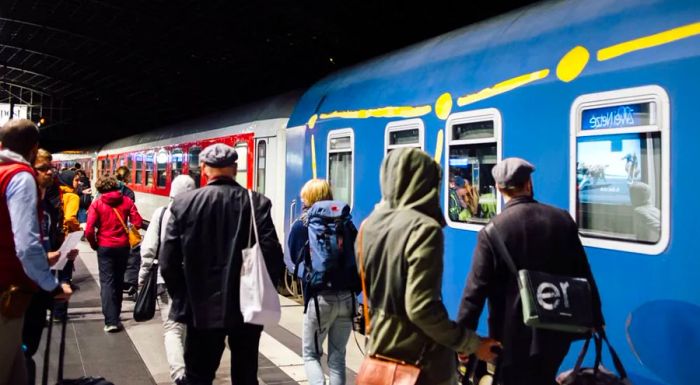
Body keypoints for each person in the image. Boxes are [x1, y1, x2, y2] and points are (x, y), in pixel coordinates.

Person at [356, 148, 499, 385]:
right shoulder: (424, 229)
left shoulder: (368, 226)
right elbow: (421, 308)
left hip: (379, 350)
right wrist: (470, 343)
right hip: (421, 364)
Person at [457, 157, 604, 385]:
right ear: (529, 183)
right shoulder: (562, 219)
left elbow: (474, 291)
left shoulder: (493, 231)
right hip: (558, 326)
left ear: (499, 188)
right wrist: (596, 316)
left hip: (511, 335)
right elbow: (583, 271)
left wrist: (464, 339)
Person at [161, 143, 284, 385]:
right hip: (246, 307)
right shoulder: (256, 203)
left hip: (200, 307)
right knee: (246, 375)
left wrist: (183, 296)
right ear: (235, 169)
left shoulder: (183, 204)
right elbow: (272, 255)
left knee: (198, 375)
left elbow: (168, 261)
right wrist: (264, 289)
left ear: (204, 168)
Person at [0, 119, 72, 385]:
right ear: (34, 148)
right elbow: (27, 245)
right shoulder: (19, 175)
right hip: (7, 291)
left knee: (17, 372)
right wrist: (51, 286)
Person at [288, 179, 358, 385]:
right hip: (347, 298)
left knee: (311, 354)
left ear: (308, 198)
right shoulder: (346, 221)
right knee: (337, 358)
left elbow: (293, 256)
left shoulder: (303, 223)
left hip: (319, 299)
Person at [22, 149, 79, 384]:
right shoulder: (24, 203)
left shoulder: (46, 205)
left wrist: (63, 252)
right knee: (22, 353)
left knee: (30, 347)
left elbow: (45, 240)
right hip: (22, 288)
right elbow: (23, 250)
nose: (49, 172)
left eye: (50, 168)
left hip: (38, 288)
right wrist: (53, 285)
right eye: (42, 168)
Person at [139, 175, 195, 385]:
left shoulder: (161, 214)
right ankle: (190, 371)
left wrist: (143, 277)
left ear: (171, 192)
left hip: (167, 279)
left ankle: (179, 376)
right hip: (194, 281)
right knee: (190, 328)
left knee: (172, 329)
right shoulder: (200, 215)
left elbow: (149, 248)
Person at [85, 176, 143, 332]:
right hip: (123, 247)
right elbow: (137, 222)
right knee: (118, 281)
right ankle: (116, 316)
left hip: (104, 246)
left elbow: (89, 229)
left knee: (107, 282)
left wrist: (94, 244)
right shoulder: (127, 201)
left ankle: (110, 321)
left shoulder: (97, 204)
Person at [115, 165, 140, 299]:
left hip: (107, 237)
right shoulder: (129, 193)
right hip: (124, 232)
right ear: (126, 177)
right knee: (133, 255)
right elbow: (134, 217)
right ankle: (130, 283)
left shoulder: (104, 192)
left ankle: (113, 290)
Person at [57, 169, 82, 234]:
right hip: (64, 232)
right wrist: (78, 229)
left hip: (54, 231)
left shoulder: (57, 191)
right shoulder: (73, 197)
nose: (79, 182)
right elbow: (69, 218)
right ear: (69, 180)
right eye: (76, 180)